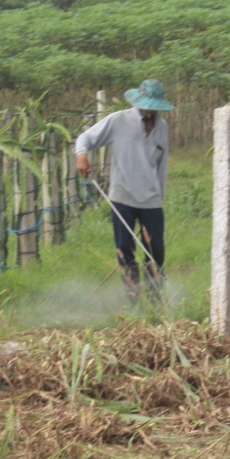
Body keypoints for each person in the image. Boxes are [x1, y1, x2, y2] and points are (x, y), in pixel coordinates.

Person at [75, 78, 172, 305]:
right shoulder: (118, 120)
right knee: (125, 250)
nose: (150, 111)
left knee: (155, 251)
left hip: (151, 199)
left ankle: (155, 298)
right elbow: (86, 138)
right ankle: (134, 300)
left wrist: (160, 194)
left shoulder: (162, 126)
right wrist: (82, 155)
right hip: (123, 198)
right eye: (147, 105)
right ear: (138, 101)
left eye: (154, 106)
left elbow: (162, 163)